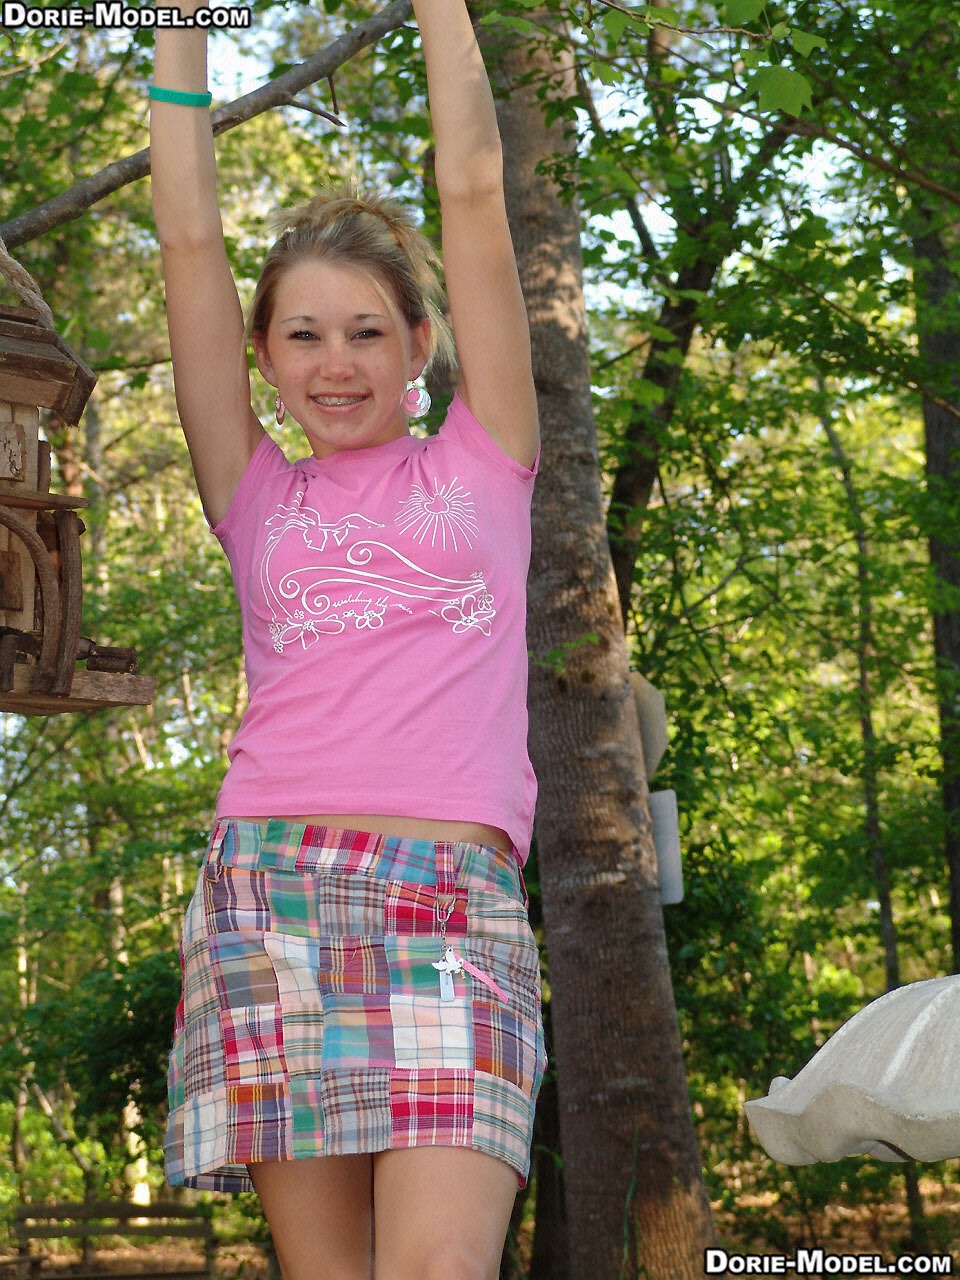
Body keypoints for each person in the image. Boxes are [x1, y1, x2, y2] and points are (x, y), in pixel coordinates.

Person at [150, 2, 544, 1277]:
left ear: (421, 344)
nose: (336, 363)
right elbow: (189, 238)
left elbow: (472, 190)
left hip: (451, 906)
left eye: (368, 331)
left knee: (439, 1264)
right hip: (269, 897)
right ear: (263, 355)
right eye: (303, 334)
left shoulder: (486, 460)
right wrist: (176, 26)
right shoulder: (253, 489)